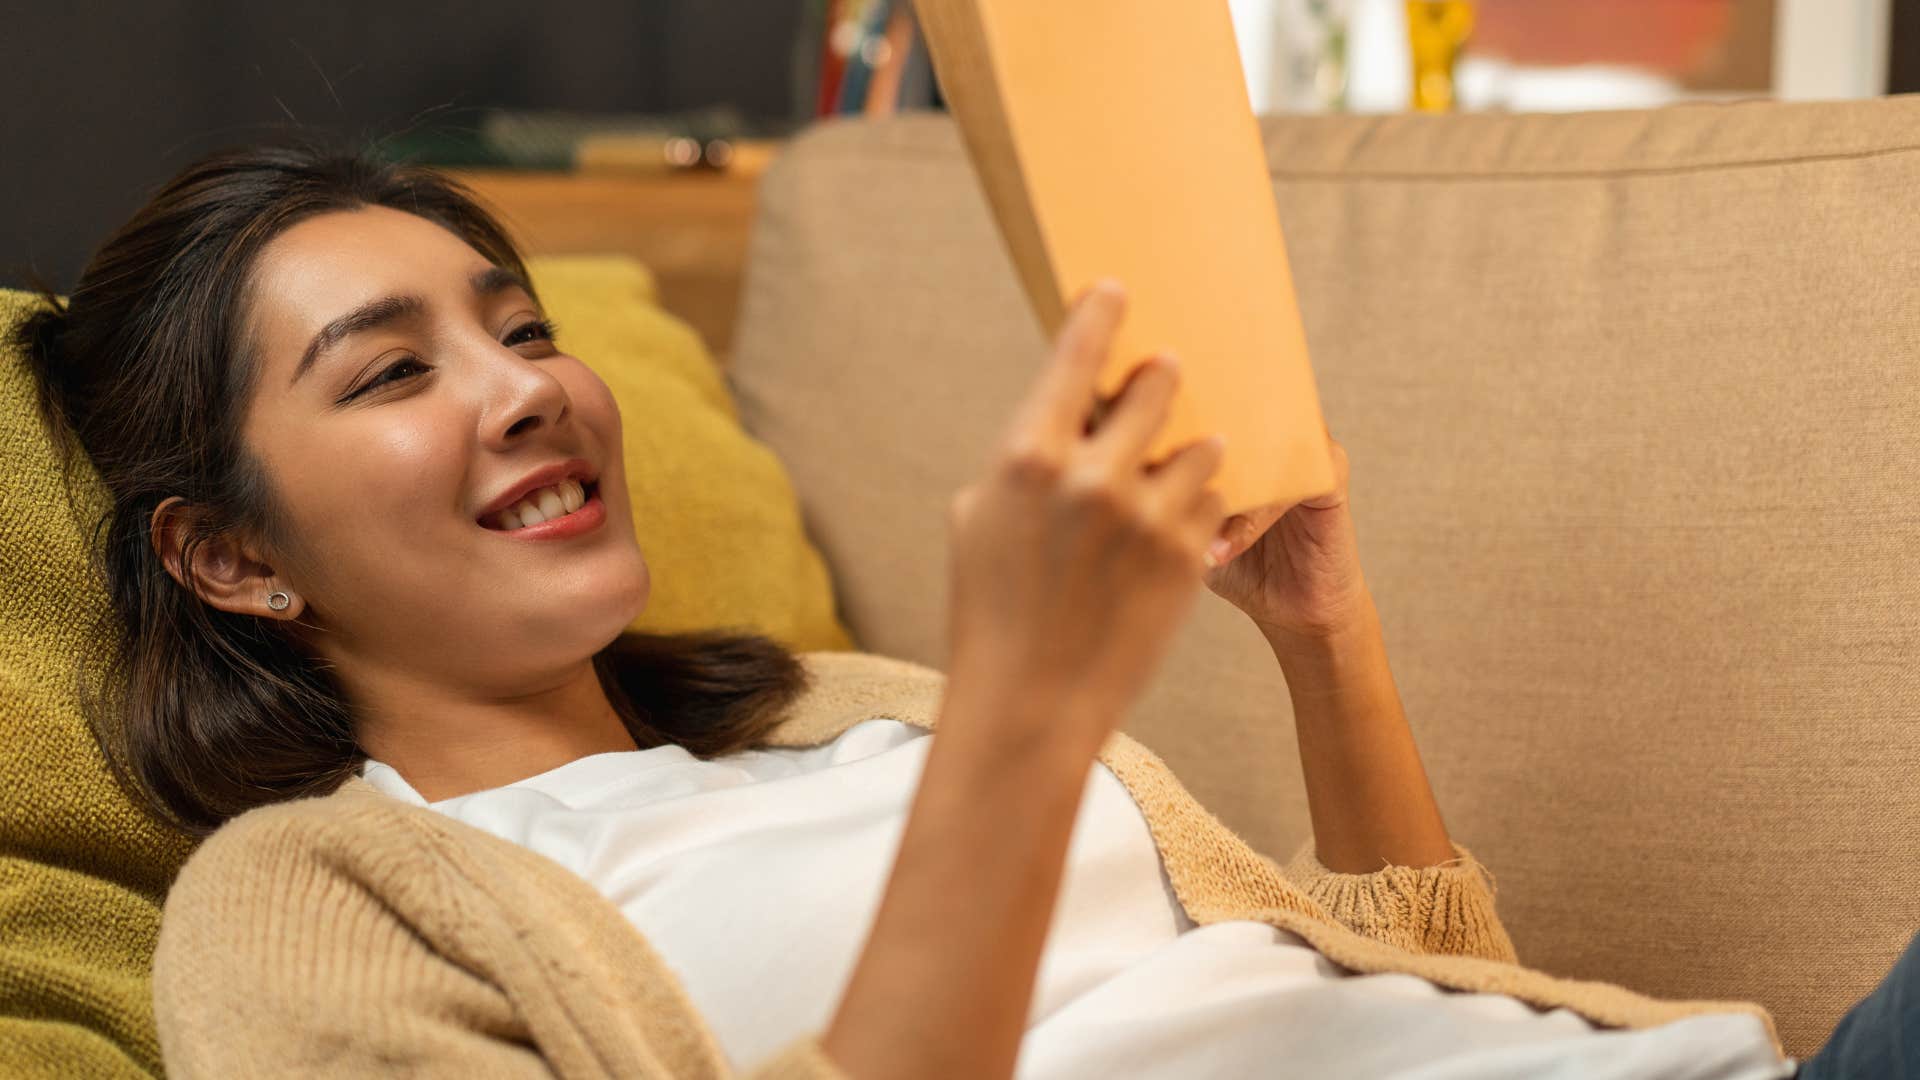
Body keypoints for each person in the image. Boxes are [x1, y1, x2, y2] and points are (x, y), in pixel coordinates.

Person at [12, 140, 1908, 1079]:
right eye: (388, 372)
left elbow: (1408, 994)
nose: (526, 386)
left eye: (522, 328)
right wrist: (1020, 716)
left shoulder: (840, 712)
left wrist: (1324, 644)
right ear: (230, 557)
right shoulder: (303, 913)